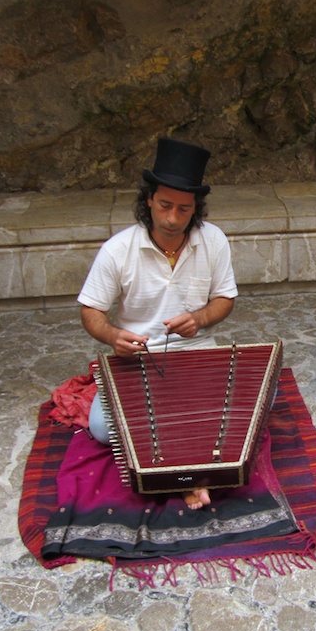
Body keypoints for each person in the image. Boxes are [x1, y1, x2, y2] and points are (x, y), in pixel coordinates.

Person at [77, 137, 238, 510]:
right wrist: (114, 335)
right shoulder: (118, 250)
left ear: (195, 208)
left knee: (262, 401)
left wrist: (199, 319)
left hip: (196, 353)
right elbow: (91, 311)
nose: (172, 218)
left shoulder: (213, 240)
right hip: (139, 357)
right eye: (165, 205)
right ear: (148, 199)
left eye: (184, 209)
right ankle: (192, 479)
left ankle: (182, 478)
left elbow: (225, 299)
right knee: (101, 429)